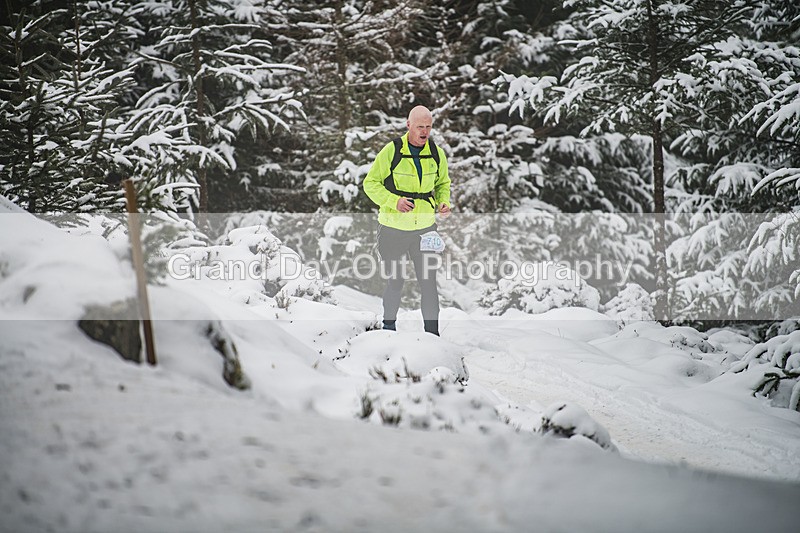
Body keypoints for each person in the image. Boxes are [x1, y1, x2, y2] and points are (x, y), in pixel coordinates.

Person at [362, 106, 451, 335]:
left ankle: (433, 335)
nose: (424, 132)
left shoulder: (436, 153)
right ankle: (388, 328)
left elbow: (443, 183)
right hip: (393, 228)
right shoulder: (392, 150)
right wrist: (394, 201)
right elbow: (370, 183)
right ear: (408, 124)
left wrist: (443, 201)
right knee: (396, 280)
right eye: (420, 126)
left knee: (429, 284)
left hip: (424, 229)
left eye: (428, 127)